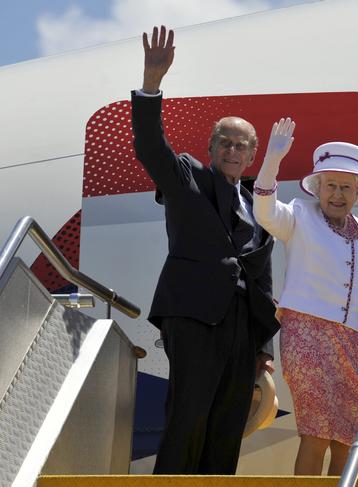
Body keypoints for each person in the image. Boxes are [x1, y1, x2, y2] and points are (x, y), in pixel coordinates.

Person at [131, 25, 279, 474]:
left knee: (227, 423)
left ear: (251, 156)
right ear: (212, 148)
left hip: (242, 327)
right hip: (194, 315)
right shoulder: (187, 178)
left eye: (242, 145)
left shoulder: (259, 204)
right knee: (188, 417)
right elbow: (151, 146)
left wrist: (264, 346)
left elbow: (262, 276)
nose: (233, 150)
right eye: (226, 142)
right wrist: (152, 83)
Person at [252, 119, 358, 475]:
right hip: (306, 334)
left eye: (345, 187)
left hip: (355, 344)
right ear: (318, 188)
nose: (337, 195)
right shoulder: (298, 215)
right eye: (330, 186)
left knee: (349, 440)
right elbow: (264, 213)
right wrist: (271, 163)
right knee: (316, 435)